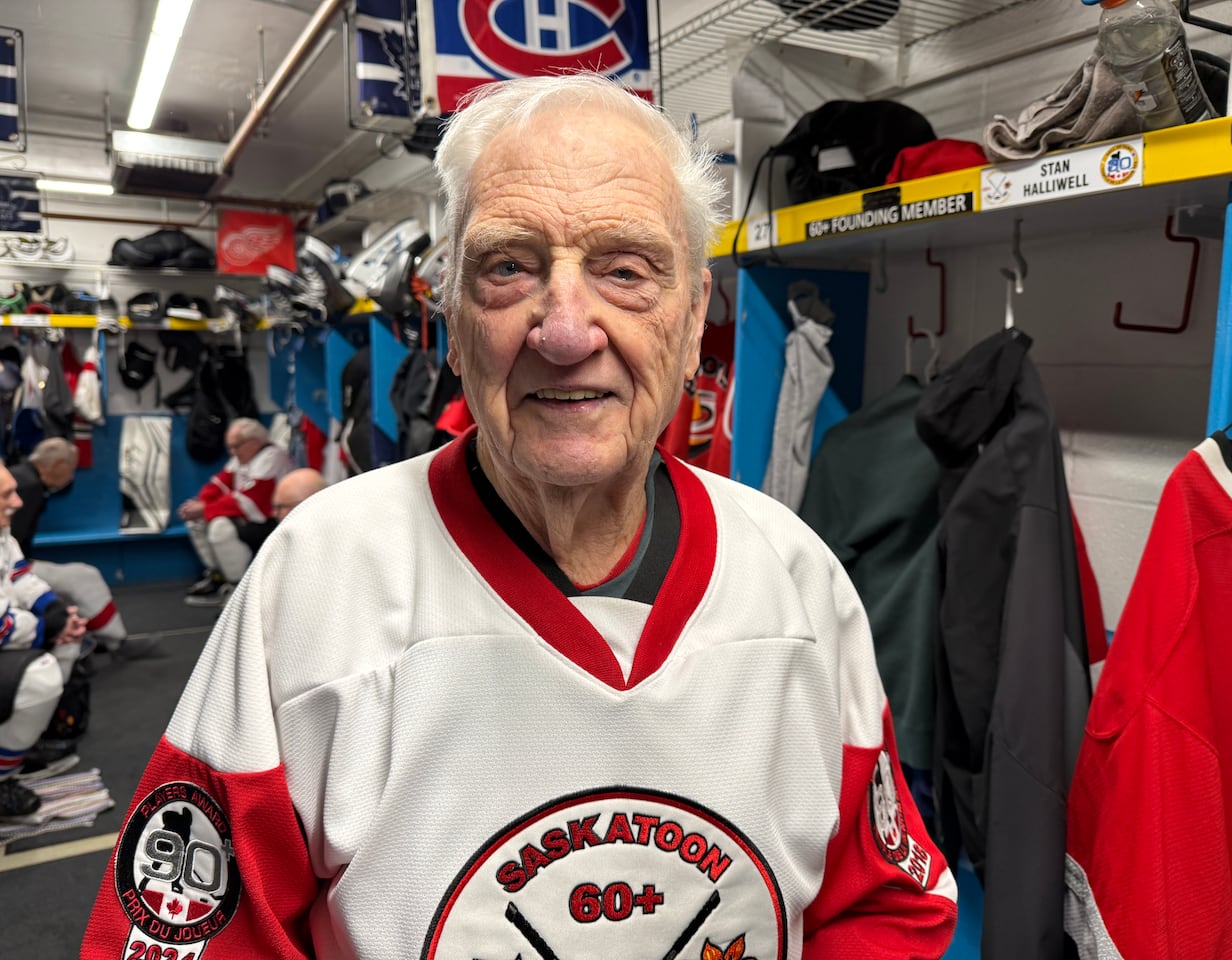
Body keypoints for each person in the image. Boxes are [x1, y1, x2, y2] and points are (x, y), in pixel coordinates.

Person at [82, 73, 957, 959]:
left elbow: (882, 907)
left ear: (694, 321)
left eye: (626, 270)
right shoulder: (316, 581)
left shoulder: (797, 580)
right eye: (509, 267)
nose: (567, 330)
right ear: (453, 324)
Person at [0, 451, 86, 819]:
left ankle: (9, 740)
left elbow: (18, 575)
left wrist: (55, 613)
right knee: (38, 676)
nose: (19, 502)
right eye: (6, 493)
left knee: (68, 637)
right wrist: (48, 629)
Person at [9, 437, 155, 659]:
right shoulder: (29, 487)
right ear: (58, 465)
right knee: (84, 577)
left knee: (77, 578)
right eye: (71, 469)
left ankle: (105, 638)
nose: (71, 476)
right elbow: (12, 540)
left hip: (1, 562)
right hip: (6, 568)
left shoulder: (20, 475)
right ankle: (116, 643)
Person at [177, 417, 294, 606]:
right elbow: (220, 484)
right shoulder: (243, 456)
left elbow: (251, 500)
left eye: (235, 446)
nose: (232, 452)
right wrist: (199, 505)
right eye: (229, 447)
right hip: (250, 515)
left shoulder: (272, 457)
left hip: (272, 521)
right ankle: (218, 576)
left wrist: (205, 508)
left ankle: (238, 590)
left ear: (253, 442)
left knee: (220, 528)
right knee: (197, 520)